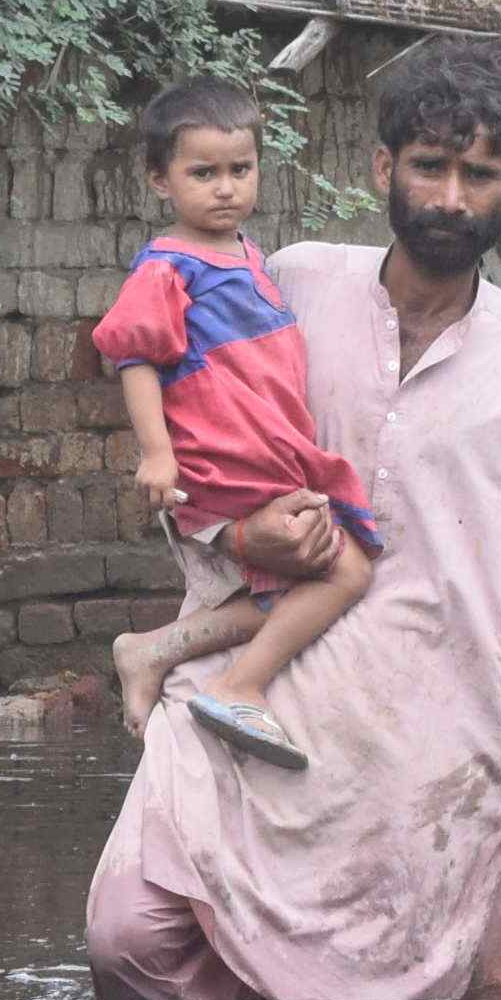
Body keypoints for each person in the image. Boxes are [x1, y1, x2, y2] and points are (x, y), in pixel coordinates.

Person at [83, 36, 501, 1000]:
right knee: (130, 938)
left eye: (479, 175)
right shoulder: (292, 281)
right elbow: (198, 444)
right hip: (267, 700)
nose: (451, 197)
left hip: (438, 736)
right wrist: (238, 540)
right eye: (431, 167)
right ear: (382, 169)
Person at [90, 75, 380, 768]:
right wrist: (156, 453)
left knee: (301, 579)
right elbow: (133, 355)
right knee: (347, 573)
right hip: (224, 466)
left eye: (240, 170)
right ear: (160, 180)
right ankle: (237, 685)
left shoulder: (250, 256)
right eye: (203, 173)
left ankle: (151, 652)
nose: (225, 188)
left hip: (266, 459)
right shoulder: (167, 269)